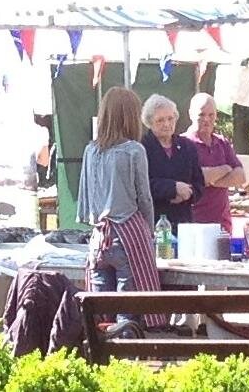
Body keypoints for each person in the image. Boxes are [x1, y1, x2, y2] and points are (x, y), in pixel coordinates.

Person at [80, 87, 166, 329]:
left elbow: (85, 198)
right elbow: (144, 199)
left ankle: (101, 360)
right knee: (127, 312)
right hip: (128, 233)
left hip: (98, 237)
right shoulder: (133, 150)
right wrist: (149, 232)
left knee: (100, 310)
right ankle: (126, 357)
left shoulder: (91, 150)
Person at [140, 94, 205, 225]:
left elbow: (199, 183)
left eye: (170, 118)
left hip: (183, 221)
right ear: (149, 122)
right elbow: (141, 186)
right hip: (153, 222)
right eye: (160, 120)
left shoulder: (188, 146)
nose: (167, 124)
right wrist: (172, 188)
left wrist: (188, 193)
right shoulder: (141, 148)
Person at [185, 93, 245, 233]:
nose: (206, 119)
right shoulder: (183, 144)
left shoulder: (222, 142)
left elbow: (241, 176)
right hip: (194, 224)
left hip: (222, 224)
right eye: (201, 115)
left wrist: (211, 179)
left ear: (216, 116)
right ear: (190, 114)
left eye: (211, 115)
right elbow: (197, 177)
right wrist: (225, 168)